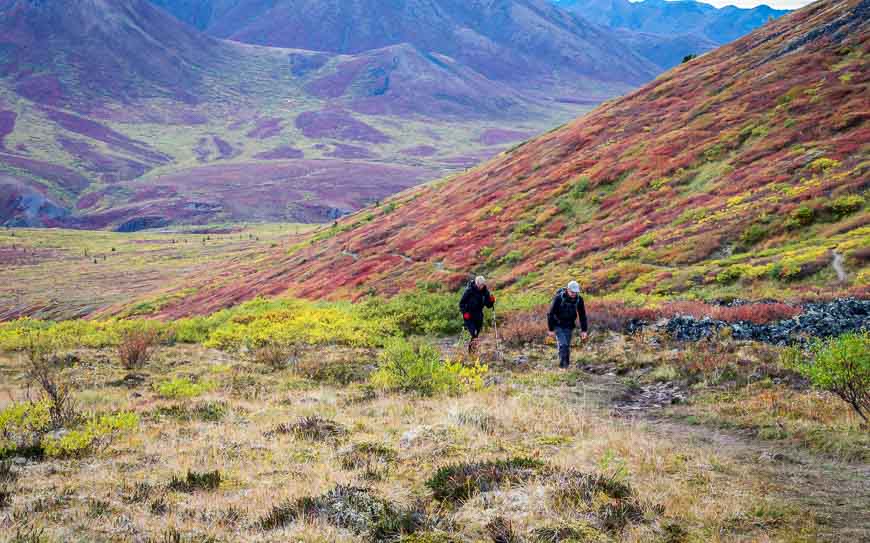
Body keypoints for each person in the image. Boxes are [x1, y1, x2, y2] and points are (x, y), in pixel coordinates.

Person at [547, 280, 588, 368]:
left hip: (569, 325)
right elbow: (550, 313)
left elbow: (582, 315)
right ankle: (563, 367)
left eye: (576, 292)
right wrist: (550, 329)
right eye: (572, 292)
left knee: (566, 346)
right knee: (563, 345)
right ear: (567, 289)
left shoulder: (579, 300)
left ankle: (566, 366)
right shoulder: (558, 298)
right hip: (557, 324)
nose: (574, 294)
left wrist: (584, 330)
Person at [459, 275, 495, 353]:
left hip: (479, 315)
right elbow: (461, 303)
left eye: (483, 285)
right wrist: (465, 313)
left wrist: (491, 301)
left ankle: (472, 352)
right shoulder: (469, 290)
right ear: (476, 283)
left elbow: (488, 305)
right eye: (480, 285)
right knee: (474, 333)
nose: (481, 286)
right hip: (469, 315)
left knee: (476, 334)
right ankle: (472, 353)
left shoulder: (485, 292)